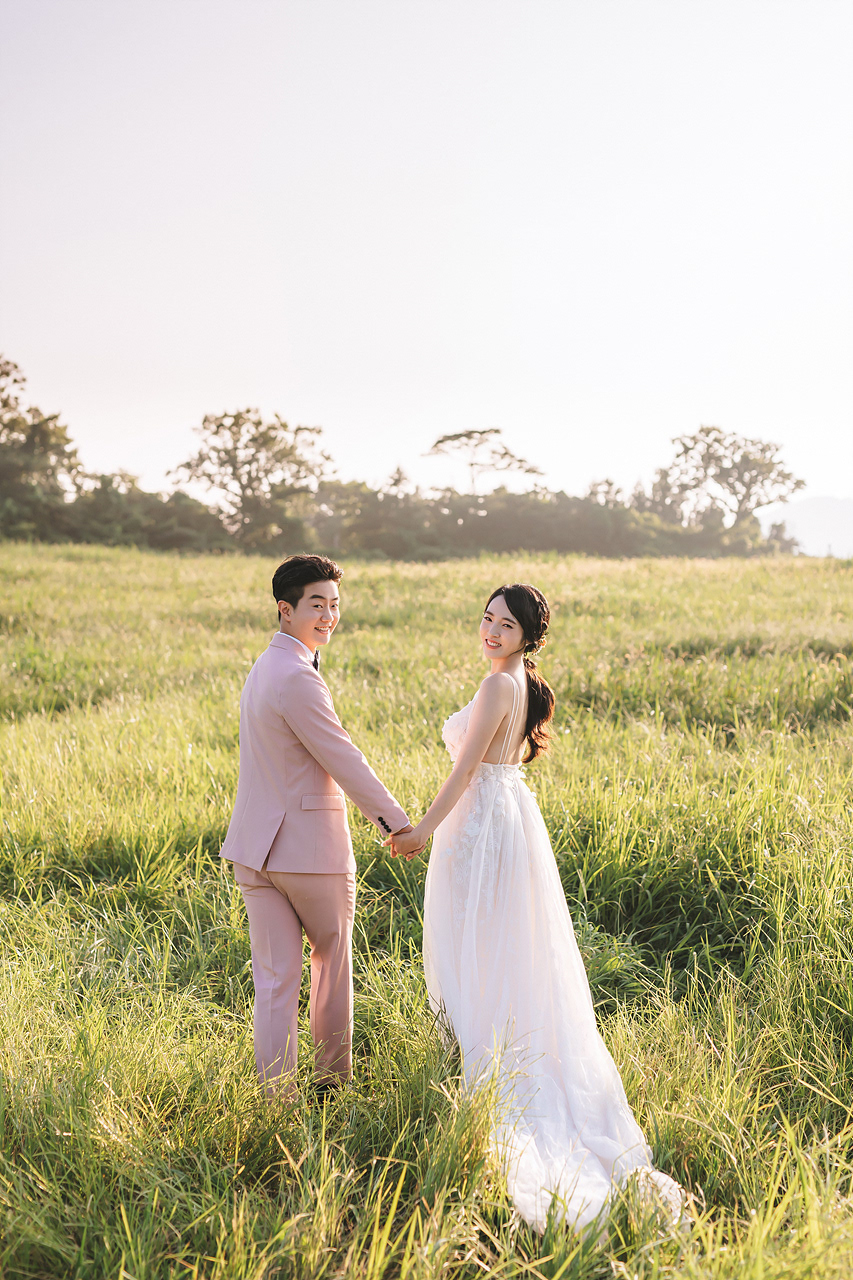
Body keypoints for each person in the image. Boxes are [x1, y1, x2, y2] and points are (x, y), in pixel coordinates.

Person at [389, 583, 683, 1231]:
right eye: (487, 619)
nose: (491, 631)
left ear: (528, 635)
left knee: (476, 948)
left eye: (505, 624)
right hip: (504, 816)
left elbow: (465, 770)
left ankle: (486, 1067)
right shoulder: (516, 680)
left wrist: (421, 830)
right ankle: (485, 1052)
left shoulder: (500, 683)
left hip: (480, 823)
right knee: (499, 950)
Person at [221, 554, 419, 1097]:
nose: (329, 616)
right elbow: (343, 758)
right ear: (285, 610)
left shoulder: (265, 667)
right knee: (331, 969)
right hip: (309, 853)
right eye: (316, 605)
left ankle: (276, 1101)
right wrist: (397, 824)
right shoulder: (298, 678)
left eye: (334, 605)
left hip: (254, 853)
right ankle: (333, 1087)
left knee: (275, 982)